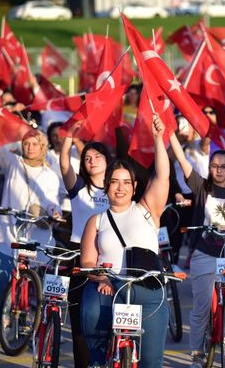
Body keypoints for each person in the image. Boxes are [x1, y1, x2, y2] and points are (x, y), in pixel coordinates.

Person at [79, 115, 168, 368]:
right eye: (114, 182)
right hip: (109, 286)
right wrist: (102, 278)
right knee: (93, 313)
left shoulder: (147, 209)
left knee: (151, 361)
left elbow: (162, 176)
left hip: (147, 287)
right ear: (106, 186)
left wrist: (159, 138)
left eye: (126, 183)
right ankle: (98, 361)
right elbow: (86, 260)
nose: (120, 188)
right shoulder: (96, 220)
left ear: (135, 186)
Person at [168, 131, 225, 368]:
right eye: (214, 166)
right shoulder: (201, 187)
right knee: (200, 309)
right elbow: (182, 161)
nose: (218, 170)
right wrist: (171, 135)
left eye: (223, 166)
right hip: (204, 255)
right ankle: (197, 355)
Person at [0, 129, 61, 347]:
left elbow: (52, 201)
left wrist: (53, 212)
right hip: (8, 235)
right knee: (2, 281)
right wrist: (5, 120)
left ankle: (27, 325)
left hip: (35, 236)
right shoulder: (13, 163)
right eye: (26, 143)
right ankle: (5, 325)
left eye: (34, 144)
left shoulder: (50, 174)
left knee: (31, 284)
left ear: (43, 147)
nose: (29, 148)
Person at [59, 123, 111, 368]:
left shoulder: (119, 190)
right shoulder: (79, 188)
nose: (91, 160)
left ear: (108, 161)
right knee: (80, 320)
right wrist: (69, 136)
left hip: (110, 257)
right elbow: (64, 165)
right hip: (78, 256)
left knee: (109, 320)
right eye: (87, 158)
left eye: (97, 156)